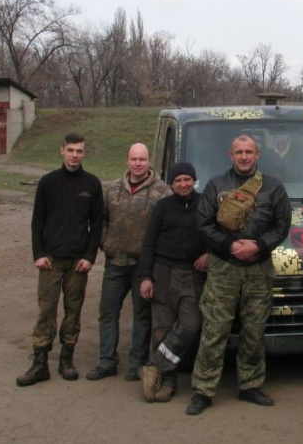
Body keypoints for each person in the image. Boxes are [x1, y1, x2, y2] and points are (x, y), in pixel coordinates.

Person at [186, 134, 291, 416]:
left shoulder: (273, 188)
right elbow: (204, 223)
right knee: (214, 330)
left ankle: (251, 385)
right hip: (223, 269)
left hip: (258, 269)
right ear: (230, 155)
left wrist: (259, 245)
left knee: (254, 332)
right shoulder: (216, 185)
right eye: (238, 152)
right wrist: (230, 245)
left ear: (257, 154)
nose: (244, 157)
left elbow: (282, 226)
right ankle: (204, 390)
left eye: (249, 152)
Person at [16, 132, 103, 387]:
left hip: (78, 262)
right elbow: (37, 222)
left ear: (84, 153)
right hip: (51, 260)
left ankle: (67, 358)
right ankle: (40, 362)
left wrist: (89, 257)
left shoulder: (92, 184)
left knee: (73, 311)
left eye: (79, 151)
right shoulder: (48, 183)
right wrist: (39, 254)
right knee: (46, 310)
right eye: (71, 150)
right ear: (62, 151)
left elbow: (97, 225)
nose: (75, 155)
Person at [86, 143, 171, 382]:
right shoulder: (113, 188)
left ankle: (137, 362)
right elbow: (101, 220)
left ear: (149, 161)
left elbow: (167, 227)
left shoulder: (162, 191)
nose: (138, 163)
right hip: (115, 262)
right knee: (108, 312)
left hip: (143, 267)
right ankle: (106, 361)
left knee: (142, 316)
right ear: (127, 160)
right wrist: (107, 243)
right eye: (134, 159)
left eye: (142, 159)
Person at [138, 162, 208, 403]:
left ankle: (155, 364)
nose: (183, 184)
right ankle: (167, 381)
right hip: (163, 272)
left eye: (188, 179)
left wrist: (209, 253)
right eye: (178, 180)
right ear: (172, 183)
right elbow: (148, 243)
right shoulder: (163, 207)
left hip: (193, 274)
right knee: (162, 328)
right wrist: (146, 277)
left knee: (190, 325)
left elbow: (217, 235)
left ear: (194, 181)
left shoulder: (205, 205)